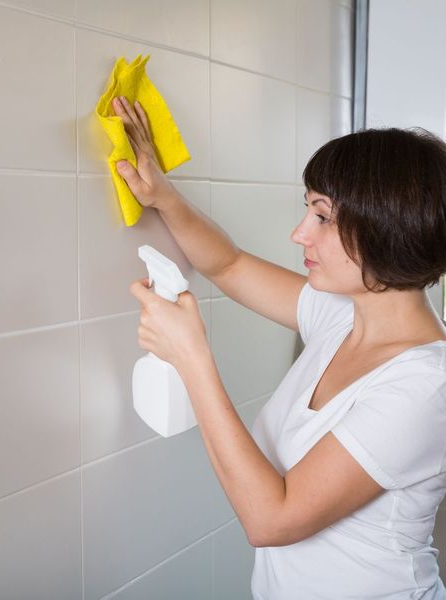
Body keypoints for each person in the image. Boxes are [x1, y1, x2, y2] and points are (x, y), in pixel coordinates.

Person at [111, 94, 446, 599]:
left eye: (322, 216)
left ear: (388, 228)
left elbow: (273, 520)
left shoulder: (426, 387)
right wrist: (163, 196)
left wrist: (192, 359)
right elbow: (228, 266)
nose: (299, 233)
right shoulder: (344, 315)